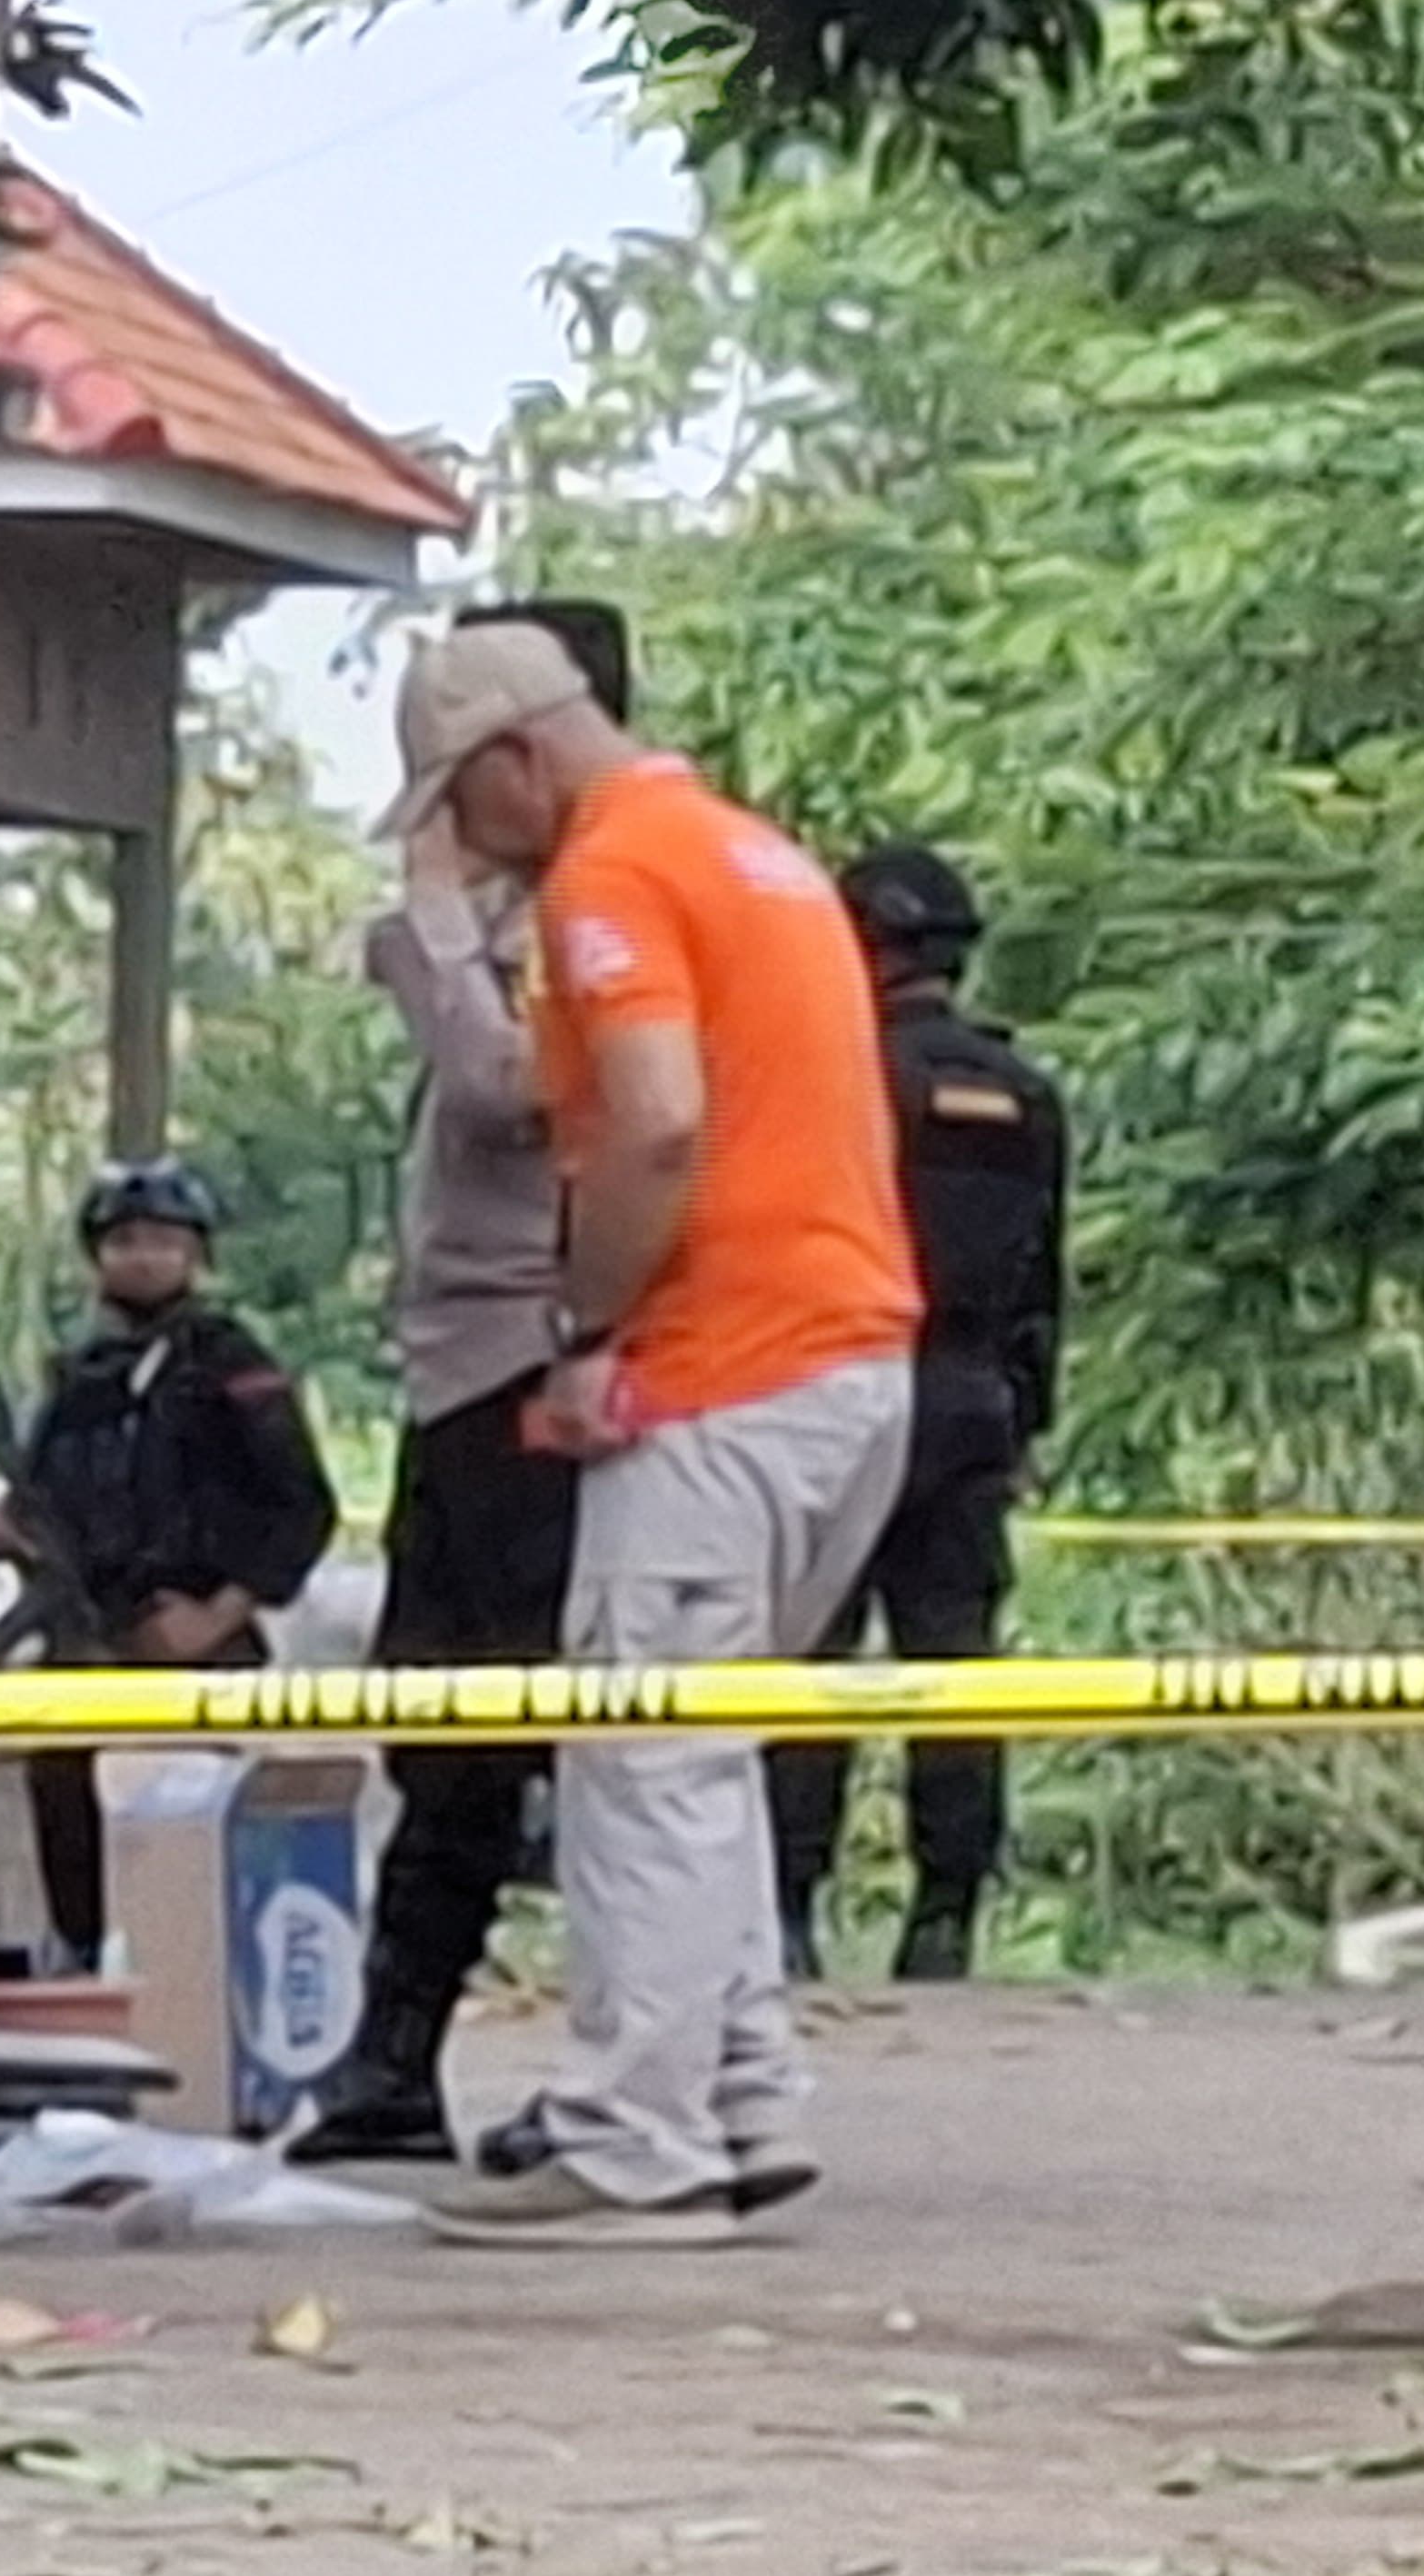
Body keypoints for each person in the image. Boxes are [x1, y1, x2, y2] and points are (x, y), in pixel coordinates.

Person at [377, 614, 921, 2250]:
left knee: (636, 1757)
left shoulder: (614, 877)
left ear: (515, 762)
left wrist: (585, 1329)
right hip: (847, 1362)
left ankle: (641, 2139)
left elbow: (659, 1119)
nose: (460, 847)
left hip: (720, 1372)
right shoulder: (755, 853)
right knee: (708, 1748)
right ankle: (740, 2095)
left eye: (456, 804)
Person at [288, 607, 617, 2163]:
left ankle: (629, 2081)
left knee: (550, 1735)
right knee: (443, 1729)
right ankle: (395, 2059)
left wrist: (432, 925)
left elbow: (507, 1096)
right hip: (464, 1368)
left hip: (540, 1365)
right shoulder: (532, 910)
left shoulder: (598, 912)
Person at [765, 844, 1070, 1984]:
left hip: (848, 1390)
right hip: (974, 1402)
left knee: (813, 1657)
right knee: (954, 1661)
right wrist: (1024, 1420)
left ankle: (792, 1908)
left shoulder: (841, 1078)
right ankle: (946, 1915)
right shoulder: (1024, 1093)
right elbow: (1047, 1279)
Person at [0, 1159, 340, 1968]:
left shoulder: (228, 1361)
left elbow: (302, 1505)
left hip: (193, 1640)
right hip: (88, 1640)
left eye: (164, 1240)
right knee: (61, 1782)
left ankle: (198, 1977)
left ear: (197, 1253)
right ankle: (83, 1954)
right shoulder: (83, 1377)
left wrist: (216, 1615)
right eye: (124, 1240)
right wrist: (4, 1529)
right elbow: (53, 1503)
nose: (144, 1257)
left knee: (188, 1825)